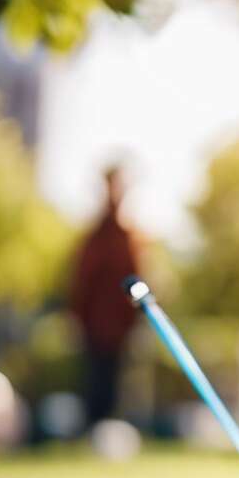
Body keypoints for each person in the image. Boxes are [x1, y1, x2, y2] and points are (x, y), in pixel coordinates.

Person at [68, 165, 141, 427]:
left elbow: (136, 277)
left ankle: (110, 424)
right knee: (96, 379)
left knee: (117, 380)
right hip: (96, 325)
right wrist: (78, 316)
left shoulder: (129, 235)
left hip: (120, 326)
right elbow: (82, 280)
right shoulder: (97, 235)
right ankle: (94, 426)